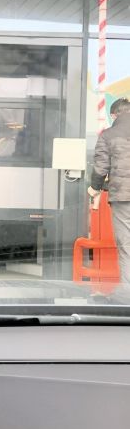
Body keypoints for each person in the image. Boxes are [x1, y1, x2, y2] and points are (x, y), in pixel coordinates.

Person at [88, 97, 130, 296]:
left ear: (114, 115)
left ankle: (128, 293)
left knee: (126, 245)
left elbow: (101, 167)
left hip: (123, 196)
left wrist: (95, 188)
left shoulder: (108, 135)